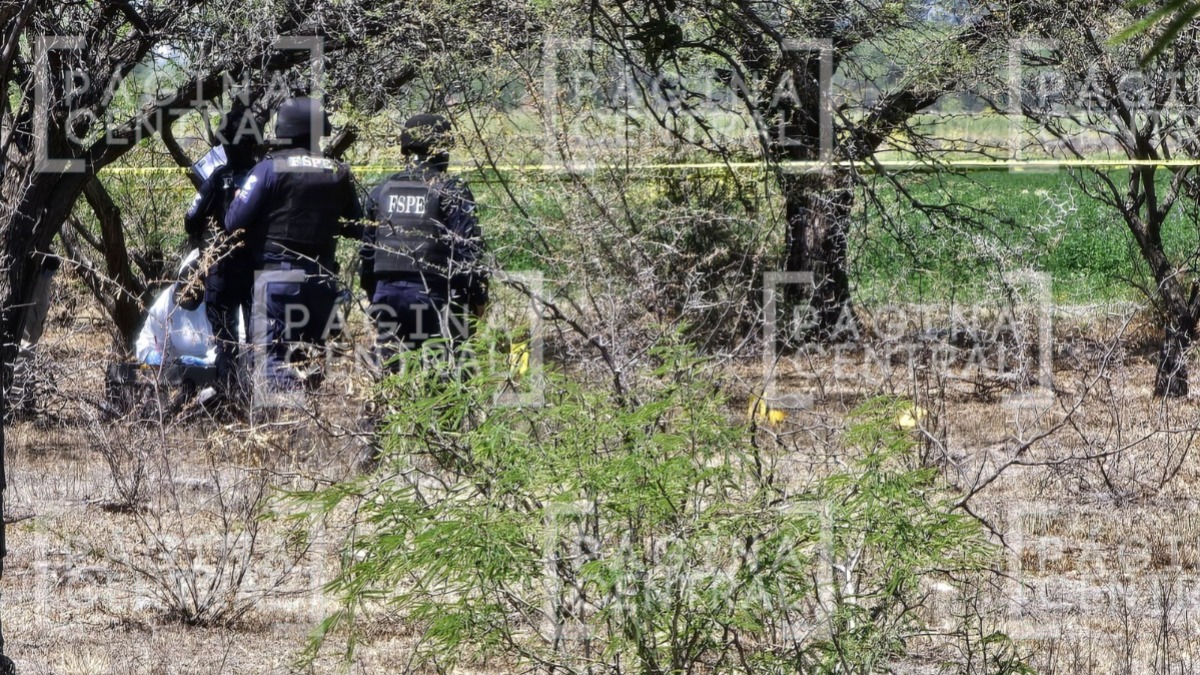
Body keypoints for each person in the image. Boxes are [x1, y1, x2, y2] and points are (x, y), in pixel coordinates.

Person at [224, 97, 363, 391]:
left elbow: (233, 221)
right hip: (322, 279)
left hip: (278, 280)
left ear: (284, 129)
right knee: (311, 361)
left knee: (274, 361)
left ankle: (285, 427)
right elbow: (356, 225)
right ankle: (310, 429)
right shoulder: (338, 172)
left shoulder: (268, 169)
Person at [359, 113, 488, 374]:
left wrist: (376, 296)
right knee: (446, 382)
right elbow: (468, 252)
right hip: (435, 297)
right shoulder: (452, 189)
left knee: (390, 378)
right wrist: (477, 299)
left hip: (388, 297)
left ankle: (381, 414)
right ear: (441, 149)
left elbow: (368, 254)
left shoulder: (381, 190)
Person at [184, 105, 261, 399]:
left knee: (226, 344)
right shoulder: (265, 177)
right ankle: (253, 402)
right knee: (256, 341)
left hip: (222, 272)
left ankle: (229, 401)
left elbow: (190, 220)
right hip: (255, 272)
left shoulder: (217, 178)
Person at [134, 249, 218, 367]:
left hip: (215, 371)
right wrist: (151, 356)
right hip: (176, 371)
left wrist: (209, 362)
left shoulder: (218, 302)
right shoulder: (167, 301)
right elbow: (146, 340)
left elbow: (236, 346)